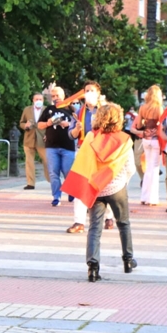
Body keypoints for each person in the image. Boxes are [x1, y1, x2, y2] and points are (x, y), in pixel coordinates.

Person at [63, 103, 136, 282]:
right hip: (117, 187)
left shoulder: (90, 137)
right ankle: (128, 260)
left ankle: (93, 266)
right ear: (118, 118)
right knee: (123, 223)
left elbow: (84, 162)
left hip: (96, 187)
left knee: (95, 228)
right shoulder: (125, 139)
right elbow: (130, 167)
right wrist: (123, 182)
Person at [69, 81, 115, 232]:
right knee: (80, 186)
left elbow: (114, 129)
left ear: (98, 93)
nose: (89, 93)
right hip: (83, 151)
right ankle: (79, 222)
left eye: (92, 91)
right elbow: (71, 135)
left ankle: (108, 217)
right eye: (86, 90)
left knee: (102, 186)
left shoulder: (106, 109)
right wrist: (76, 129)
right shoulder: (78, 112)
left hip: (102, 152)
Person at [37, 86, 78, 207]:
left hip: (68, 145)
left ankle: (71, 191)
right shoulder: (49, 109)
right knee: (53, 173)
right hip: (51, 146)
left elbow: (79, 124)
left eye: (57, 96)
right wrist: (48, 123)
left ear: (63, 96)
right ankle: (56, 196)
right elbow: (39, 125)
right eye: (53, 96)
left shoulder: (71, 109)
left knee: (68, 171)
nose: (55, 98)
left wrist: (69, 123)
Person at [131, 85, 164, 206]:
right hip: (156, 139)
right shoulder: (159, 108)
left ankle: (144, 197)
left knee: (148, 168)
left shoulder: (142, 107)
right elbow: (161, 125)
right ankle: (153, 198)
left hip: (145, 138)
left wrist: (145, 124)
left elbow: (139, 124)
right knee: (154, 168)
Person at [19, 93, 49, 190]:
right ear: (33, 100)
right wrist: (25, 126)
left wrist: (47, 135)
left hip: (42, 139)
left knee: (47, 161)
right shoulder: (27, 110)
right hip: (29, 139)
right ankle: (30, 183)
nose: (38, 101)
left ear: (43, 100)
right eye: (37, 99)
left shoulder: (47, 110)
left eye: (40, 99)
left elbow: (50, 124)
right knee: (29, 162)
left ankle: (51, 180)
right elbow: (21, 122)